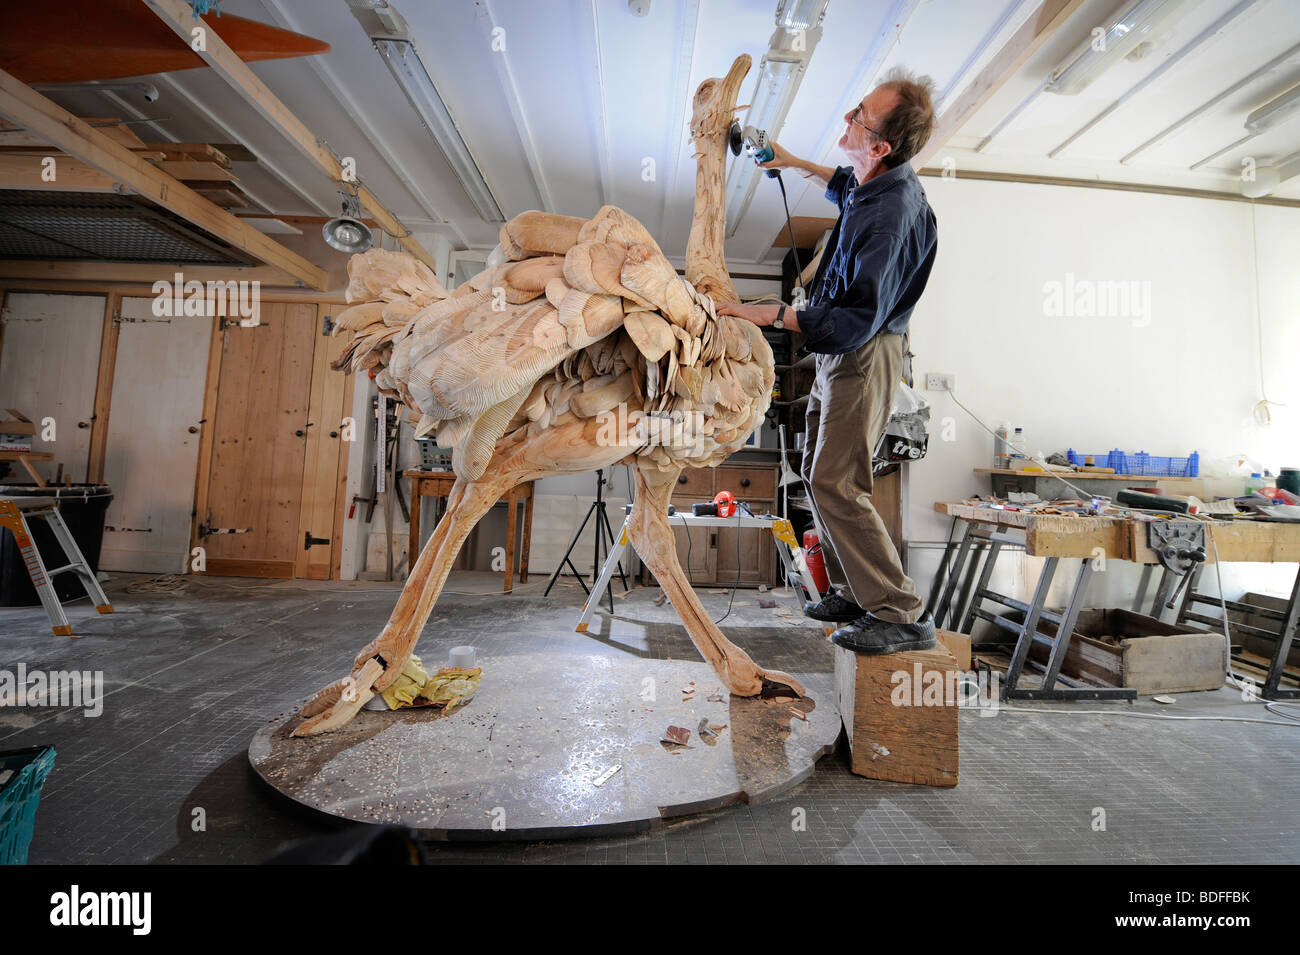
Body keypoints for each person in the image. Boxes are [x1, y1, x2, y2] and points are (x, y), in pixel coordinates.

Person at [716, 67, 939, 655]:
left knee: (837, 482)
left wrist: (766, 314)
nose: (847, 117)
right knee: (819, 470)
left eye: (858, 117)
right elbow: (844, 184)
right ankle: (858, 591)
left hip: (862, 351)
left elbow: (853, 320)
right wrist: (790, 160)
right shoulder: (875, 183)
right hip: (840, 354)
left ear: (881, 145)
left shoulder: (891, 215)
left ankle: (899, 612)